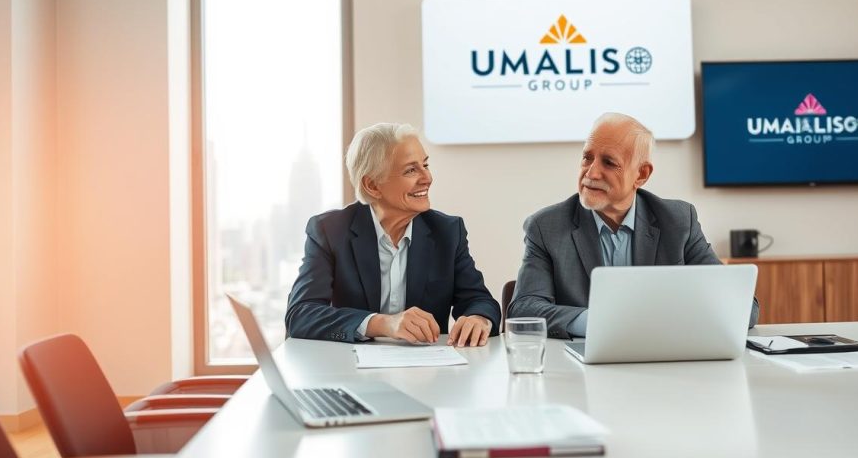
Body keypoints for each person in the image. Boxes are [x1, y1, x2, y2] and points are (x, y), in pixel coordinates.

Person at [508, 112, 759, 339]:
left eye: (609, 162)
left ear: (641, 175)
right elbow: (524, 309)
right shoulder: (546, 227)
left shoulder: (679, 221)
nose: (591, 173)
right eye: (587, 158)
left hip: (665, 363)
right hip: (582, 367)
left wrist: (670, 322)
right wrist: (598, 323)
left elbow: (743, 308)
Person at [286, 123, 500, 346]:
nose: (427, 178)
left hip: (429, 372)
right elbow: (301, 314)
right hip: (349, 369)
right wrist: (383, 324)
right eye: (411, 170)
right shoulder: (329, 231)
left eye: (425, 165)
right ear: (372, 185)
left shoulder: (447, 231)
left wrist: (478, 318)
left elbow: (479, 300)